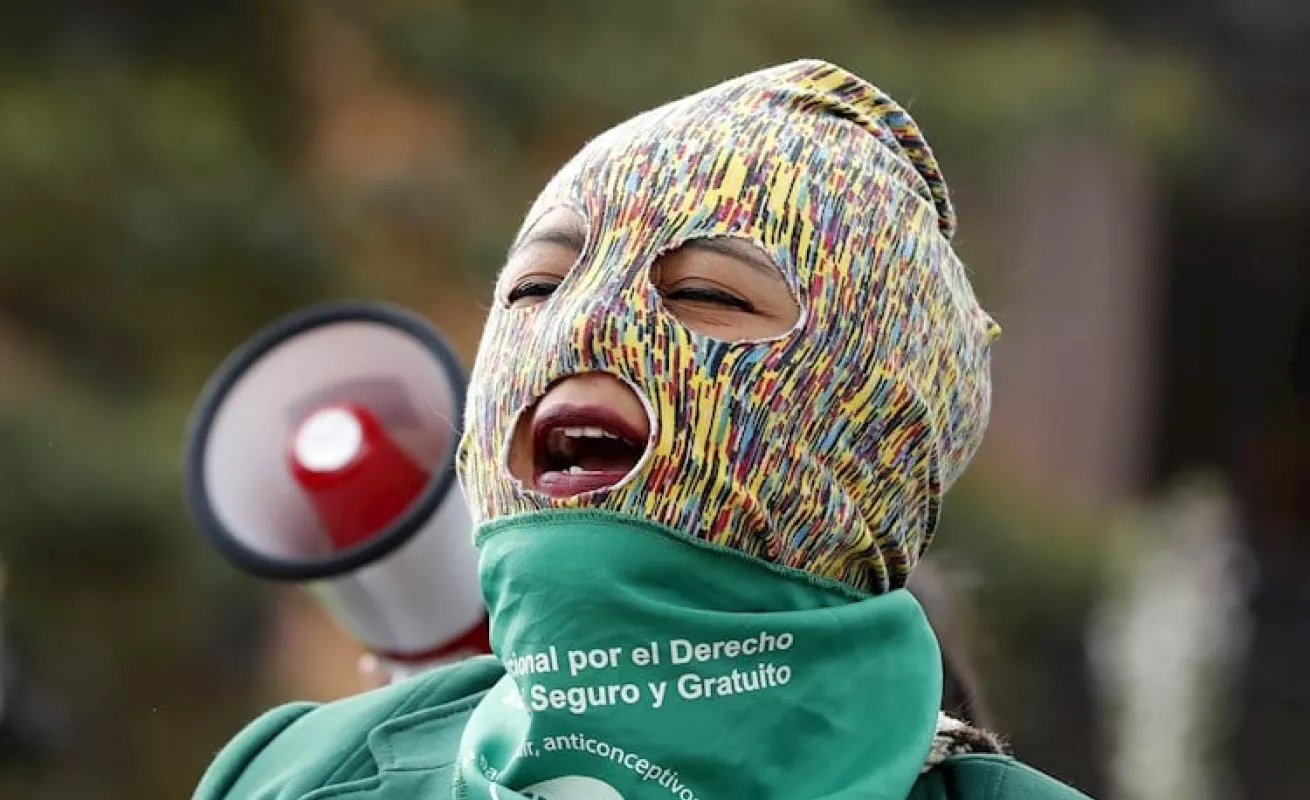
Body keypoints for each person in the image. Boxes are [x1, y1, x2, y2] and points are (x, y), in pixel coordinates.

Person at [193, 59, 1091, 799]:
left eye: (706, 295)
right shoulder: (293, 778)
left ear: (872, 423)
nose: (582, 327)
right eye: (538, 288)